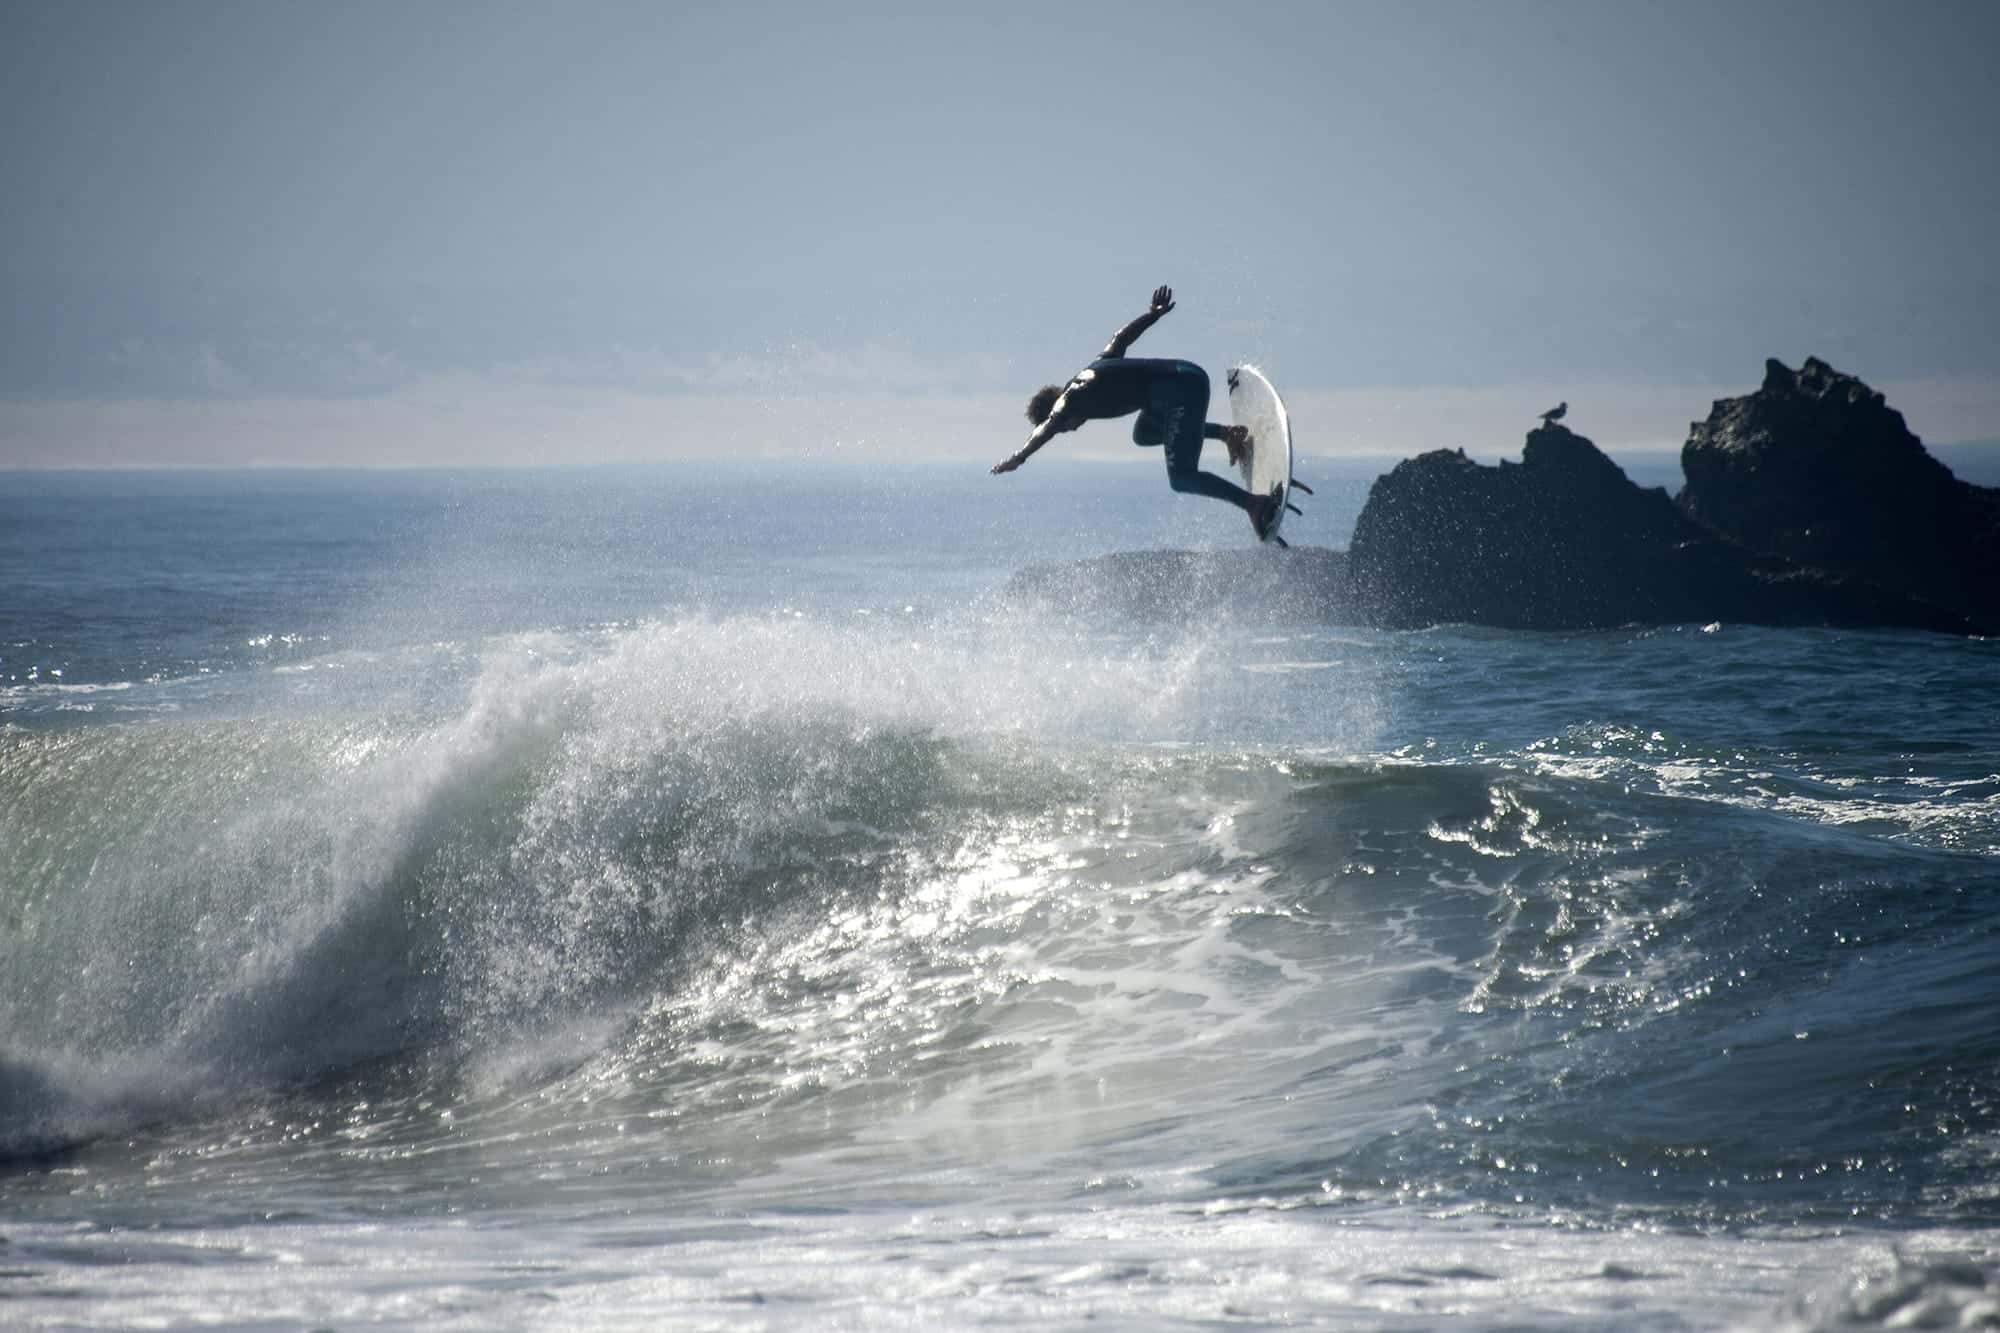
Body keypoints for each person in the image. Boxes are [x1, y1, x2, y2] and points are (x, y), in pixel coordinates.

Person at [990, 285, 1281, 535]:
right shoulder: (1091, 371)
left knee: (1181, 478)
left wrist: (1019, 457)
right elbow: (1121, 338)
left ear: (1058, 411)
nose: (1073, 428)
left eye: (1066, 427)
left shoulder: (1071, 400)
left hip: (1184, 390)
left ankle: (1254, 504)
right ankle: (1227, 434)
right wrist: (1152, 314)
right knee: (1144, 434)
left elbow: (1047, 427)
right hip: (1182, 380)